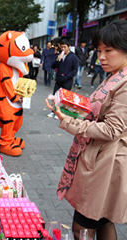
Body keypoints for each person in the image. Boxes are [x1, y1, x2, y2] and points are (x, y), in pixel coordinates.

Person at [46, 20, 127, 240]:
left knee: (82, 223)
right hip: (100, 161)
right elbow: (95, 111)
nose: (101, 57)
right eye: (99, 51)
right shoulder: (114, 77)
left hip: (106, 164)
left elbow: (112, 129)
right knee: (101, 219)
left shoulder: (124, 83)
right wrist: (69, 108)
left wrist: (70, 122)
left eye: (108, 51)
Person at [47, 39, 79, 118]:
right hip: (58, 79)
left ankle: (60, 113)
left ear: (69, 47)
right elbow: (53, 66)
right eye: (61, 47)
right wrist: (57, 59)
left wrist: (67, 77)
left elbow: (75, 70)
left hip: (67, 80)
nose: (63, 49)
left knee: (64, 98)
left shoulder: (73, 57)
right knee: (55, 96)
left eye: (64, 47)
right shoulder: (59, 55)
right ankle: (53, 111)